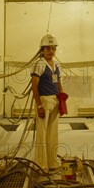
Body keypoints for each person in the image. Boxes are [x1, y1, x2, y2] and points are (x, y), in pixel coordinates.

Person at [31, 33, 65, 173]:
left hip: (55, 101)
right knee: (42, 134)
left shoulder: (56, 65)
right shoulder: (39, 64)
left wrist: (62, 101)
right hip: (44, 101)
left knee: (52, 134)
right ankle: (41, 165)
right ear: (42, 50)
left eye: (53, 48)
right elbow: (34, 86)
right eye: (48, 49)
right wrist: (39, 105)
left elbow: (59, 84)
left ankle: (52, 163)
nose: (51, 52)